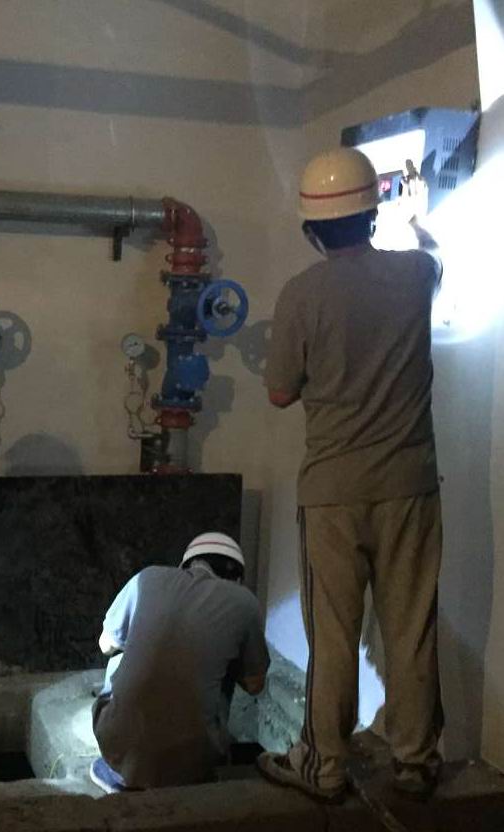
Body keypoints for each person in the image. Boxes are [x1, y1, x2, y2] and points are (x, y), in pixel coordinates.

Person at [258, 147, 444, 803]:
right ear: (371, 214)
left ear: (311, 228)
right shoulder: (416, 273)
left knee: (333, 636)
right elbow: (433, 254)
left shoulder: (301, 294)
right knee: (411, 627)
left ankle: (325, 766)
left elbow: (280, 393)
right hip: (411, 487)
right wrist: (415, 216)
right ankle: (416, 762)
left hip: (333, 493)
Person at [89, 532, 269, 793]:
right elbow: (255, 684)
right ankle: (186, 769)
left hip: (115, 744)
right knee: (222, 669)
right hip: (195, 764)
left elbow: (105, 644)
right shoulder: (246, 602)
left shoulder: (147, 577)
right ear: (237, 578)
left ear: (186, 564)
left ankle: (123, 772)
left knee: (120, 651)